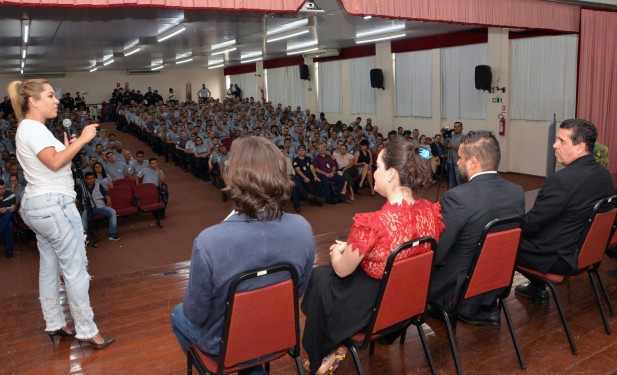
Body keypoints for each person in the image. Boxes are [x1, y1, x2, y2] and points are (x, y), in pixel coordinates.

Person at [170, 136, 315, 375]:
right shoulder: (302, 227)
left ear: (232, 177)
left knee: (177, 314)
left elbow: (195, 314)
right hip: (280, 335)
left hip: (227, 344)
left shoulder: (210, 241)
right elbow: (298, 291)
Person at [301, 140, 445, 375]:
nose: (374, 172)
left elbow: (342, 270)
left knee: (320, 277)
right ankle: (334, 343)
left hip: (375, 304)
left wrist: (339, 252)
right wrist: (354, 245)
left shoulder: (373, 224)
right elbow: (400, 245)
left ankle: (324, 350)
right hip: (407, 299)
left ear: (391, 174)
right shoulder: (429, 212)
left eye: (377, 167)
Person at [9, 79, 113, 348]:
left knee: (50, 268)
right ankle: (87, 329)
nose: (57, 100)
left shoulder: (29, 129)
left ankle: (54, 322)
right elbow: (55, 163)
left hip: (38, 206)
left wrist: (71, 146)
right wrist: (86, 140)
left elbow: (55, 160)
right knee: (76, 271)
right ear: (33, 101)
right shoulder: (34, 129)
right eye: (50, 95)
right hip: (55, 206)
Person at [429, 131, 525, 327]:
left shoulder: (458, 197)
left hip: (459, 288)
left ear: (473, 162)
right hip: (496, 280)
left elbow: (438, 254)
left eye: (461, 158)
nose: (457, 162)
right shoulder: (516, 192)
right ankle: (485, 308)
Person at [514, 119, 614, 305]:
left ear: (580, 147)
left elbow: (532, 224)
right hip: (584, 252)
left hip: (558, 258)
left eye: (561, 141)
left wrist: (510, 228)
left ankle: (486, 308)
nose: (554, 145)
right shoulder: (603, 175)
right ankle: (537, 288)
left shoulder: (561, 181)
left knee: (500, 244)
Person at [77, 172, 121, 242]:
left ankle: (113, 234)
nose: (90, 180)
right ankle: (84, 237)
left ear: (95, 179)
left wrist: (109, 204)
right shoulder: (82, 188)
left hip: (101, 207)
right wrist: (78, 210)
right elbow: (78, 200)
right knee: (84, 215)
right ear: (85, 180)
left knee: (113, 211)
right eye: (88, 179)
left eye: (92, 178)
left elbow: (107, 197)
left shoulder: (99, 186)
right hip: (88, 209)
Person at [0, 179, 16, 260]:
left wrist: (13, 208)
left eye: (3, 188)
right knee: (8, 225)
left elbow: (14, 206)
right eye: (0, 189)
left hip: (10, 216)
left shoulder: (10, 194)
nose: (2, 190)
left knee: (8, 213)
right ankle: (9, 252)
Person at [445, 122, 464, 188]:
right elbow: (445, 145)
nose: (456, 128)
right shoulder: (450, 136)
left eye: (458, 126)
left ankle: (460, 197)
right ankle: (452, 196)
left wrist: (451, 146)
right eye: (455, 126)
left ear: (462, 128)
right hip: (450, 161)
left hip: (458, 162)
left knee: (459, 181)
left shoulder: (463, 137)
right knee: (451, 182)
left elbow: (462, 150)